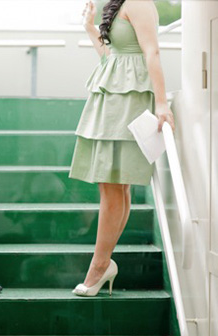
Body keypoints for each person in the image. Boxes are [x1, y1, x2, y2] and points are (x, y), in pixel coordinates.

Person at [70, 0, 175, 296]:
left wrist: (162, 102)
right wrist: (90, 28)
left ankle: (99, 266)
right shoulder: (122, 3)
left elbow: (151, 51)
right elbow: (111, 58)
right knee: (114, 186)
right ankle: (104, 264)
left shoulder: (140, 2)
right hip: (113, 100)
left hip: (128, 101)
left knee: (114, 185)